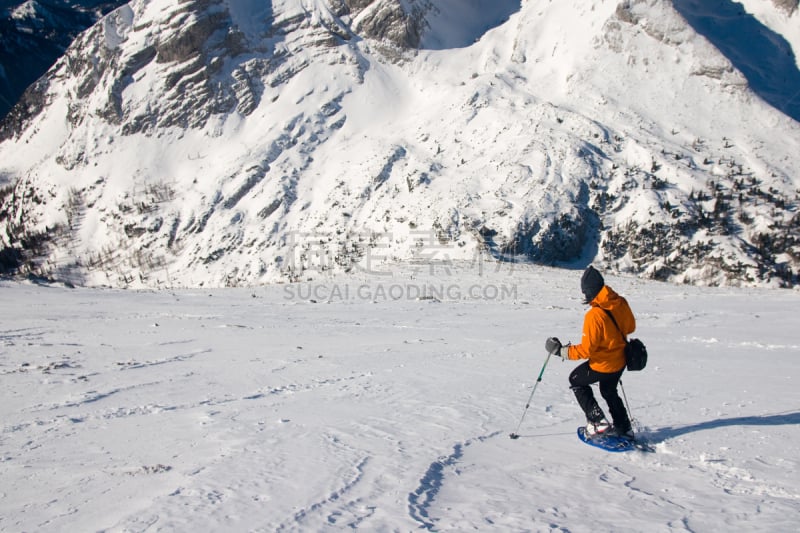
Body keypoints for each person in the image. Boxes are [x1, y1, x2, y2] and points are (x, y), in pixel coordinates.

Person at [545, 266, 635, 438]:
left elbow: (586, 350)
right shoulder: (620, 302)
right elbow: (631, 327)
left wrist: (560, 351)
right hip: (621, 360)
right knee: (609, 391)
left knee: (576, 380)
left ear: (587, 292)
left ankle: (597, 421)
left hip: (603, 364)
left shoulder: (594, 315)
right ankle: (624, 427)